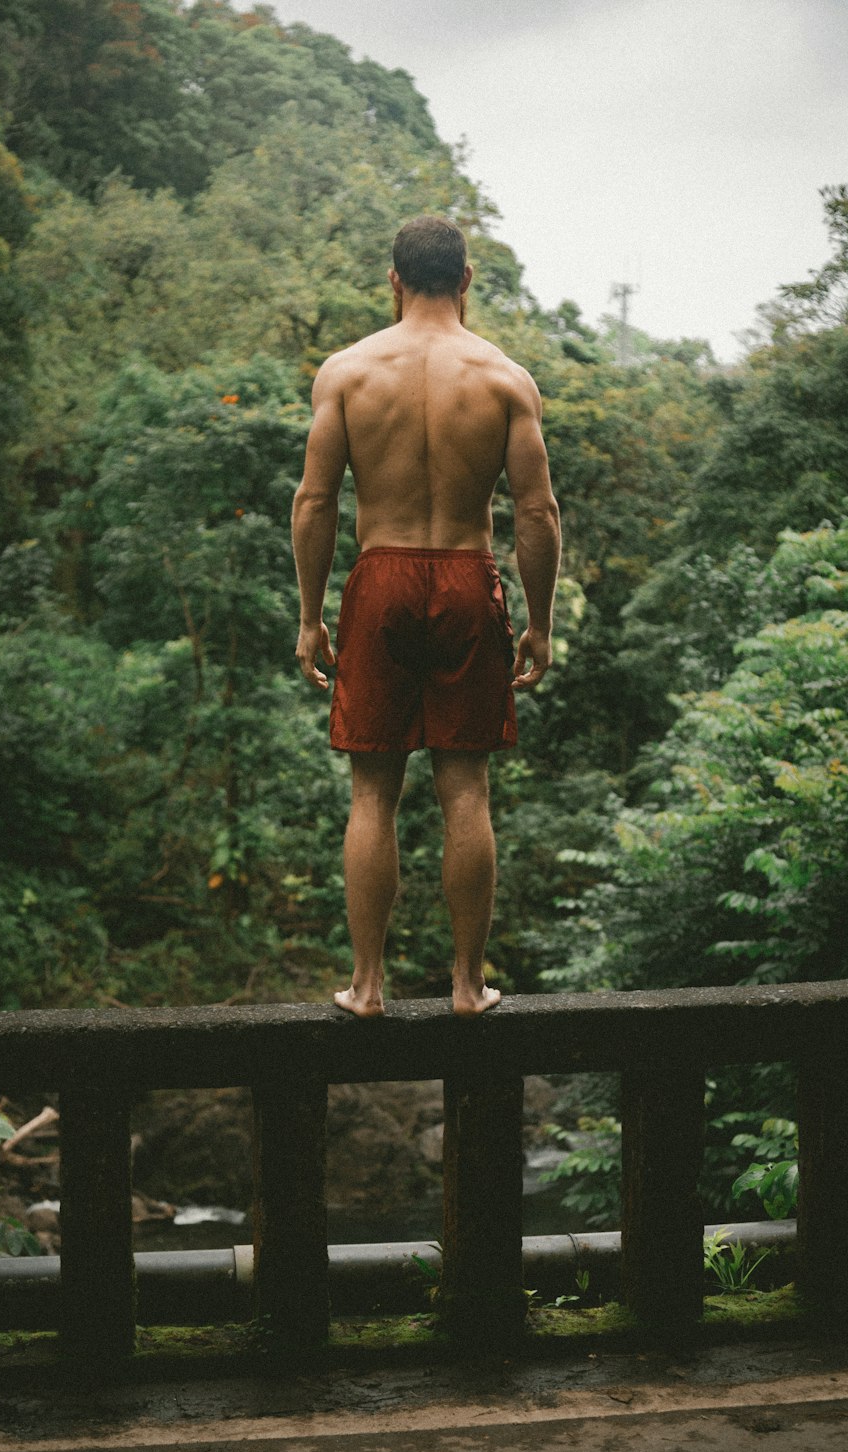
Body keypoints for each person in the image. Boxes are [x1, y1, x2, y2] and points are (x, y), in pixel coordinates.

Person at [292, 214, 560, 1018]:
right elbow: (538, 513)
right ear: (468, 281)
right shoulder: (505, 378)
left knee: (372, 792)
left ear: (394, 281)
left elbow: (315, 501)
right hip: (467, 576)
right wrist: (539, 624)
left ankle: (367, 986)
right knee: (466, 789)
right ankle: (467, 986)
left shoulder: (347, 372)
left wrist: (311, 616)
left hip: (380, 575)